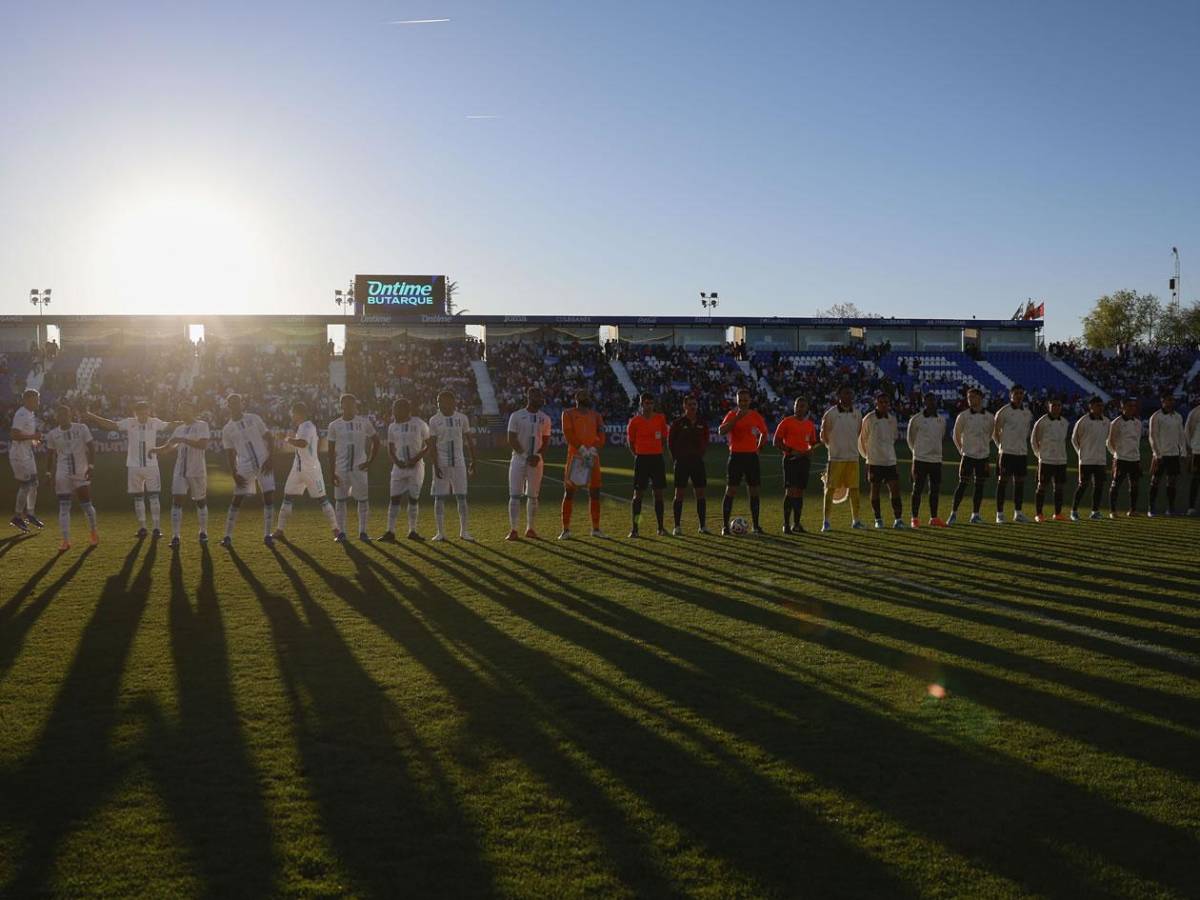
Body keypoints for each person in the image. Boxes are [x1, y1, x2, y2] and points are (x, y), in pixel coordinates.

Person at [83, 400, 177, 539]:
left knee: (154, 497)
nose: (143, 414)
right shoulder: (129, 422)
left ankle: (157, 528)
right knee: (138, 498)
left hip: (151, 466)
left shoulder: (155, 422)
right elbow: (111, 425)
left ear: (149, 411)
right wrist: (93, 417)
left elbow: (170, 425)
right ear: (135, 413)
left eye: (145, 411)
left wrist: (189, 421)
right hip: (133, 466)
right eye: (140, 412)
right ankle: (143, 528)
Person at [274, 400, 340, 541]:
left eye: (292, 413)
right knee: (287, 497)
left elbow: (303, 444)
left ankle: (336, 530)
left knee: (322, 499)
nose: (291, 416)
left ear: (298, 414)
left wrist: (286, 438)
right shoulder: (303, 427)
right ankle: (279, 530)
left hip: (311, 470)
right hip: (297, 469)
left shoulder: (307, 426)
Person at [218, 393, 276, 548]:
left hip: (263, 462)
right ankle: (227, 536)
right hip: (244, 466)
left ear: (242, 404)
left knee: (269, 497)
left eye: (238, 403)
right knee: (237, 499)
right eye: (232, 404)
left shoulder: (254, 418)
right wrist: (234, 473)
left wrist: (270, 458)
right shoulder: (227, 429)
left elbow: (269, 437)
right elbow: (230, 453)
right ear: (228, 407)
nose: (235, 406)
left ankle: (267, 535)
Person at [155, 399, 212, 546]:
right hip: (180, 470)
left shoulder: (202, 425)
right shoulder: (179, 429)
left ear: (192, 410)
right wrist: (156, 451)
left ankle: (203, 532)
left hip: (197, 470)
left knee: (200, 501)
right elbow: (169, 447)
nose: (182, 411)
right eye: (180, 409)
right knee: (177, 501)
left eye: (185, 409)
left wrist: (183, 439)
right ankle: (175, 536)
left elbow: (203, 444)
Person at [43, 403, 98, 550]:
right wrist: (48, 473)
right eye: (59, 416)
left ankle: (93, 532)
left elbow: (92, 447)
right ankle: (65, 540)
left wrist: (91, 466)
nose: (62, 418)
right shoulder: (52, 434)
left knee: (86, 505)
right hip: (62, 474)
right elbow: (49, 455)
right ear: (57, 418)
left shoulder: (81, 428)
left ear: (70, 415)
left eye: (65, 415)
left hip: (81, 471)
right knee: (64, 507)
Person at [327, 393, 379, 542]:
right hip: (341, 469)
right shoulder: (334, 425)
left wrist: (369, 461)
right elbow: (330, 451)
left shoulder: (364, 422)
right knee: (340, 500)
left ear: (356, 406)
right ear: (341, 405)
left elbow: (376, 440)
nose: (349, 407)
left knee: (363, 500)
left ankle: (363, 532)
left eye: (352, 404)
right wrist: (332, 472)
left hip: (359, 468)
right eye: (346, 404)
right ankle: (342, 533)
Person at [718, 387, 768, 535]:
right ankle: (725, 526)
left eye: (746, 400)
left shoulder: (755, 416)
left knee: (754, 491)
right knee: (731, 490)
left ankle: (756, 526)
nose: (744, 403)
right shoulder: (732, 414)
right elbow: (721, 431)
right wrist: (736, 419)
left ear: (750, 401)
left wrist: (759, 447)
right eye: (741, 400)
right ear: (737, 401)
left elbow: (764, 433)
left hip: (751, 457)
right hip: (736, 457)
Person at [427, 390, 475, 542]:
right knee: (439, 498)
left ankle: (464, 532)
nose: (441, 404)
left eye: (444, 401)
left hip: (459, 463)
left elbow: (469, 439)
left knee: (461, 497)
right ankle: (440, 532)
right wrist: (435, 464)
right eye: (439, 401)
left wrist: (474, 460)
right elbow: (432, 445)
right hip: (441, 463)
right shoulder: (434, 420)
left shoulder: (462, 418)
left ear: (452, 402)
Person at [506, 387, 552, 540]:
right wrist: (526, 456)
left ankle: (530, 528)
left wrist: (537, 456)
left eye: (541, 397)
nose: (541, 400)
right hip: (519, 460)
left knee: (533, 496)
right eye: (537, 397)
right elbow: (511, 439)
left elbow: (545, 441)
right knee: (514, 495)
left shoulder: (545, 418)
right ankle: (513, 530)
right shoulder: (517, 416)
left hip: (536, 461)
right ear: (530, 398)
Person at [559, 389, 606, 539]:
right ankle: (566, 530)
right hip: (576, 457)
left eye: (586, 394)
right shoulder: (568, 413)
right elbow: (568, 434)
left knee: (595, 492)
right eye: (581, 395)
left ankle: (596, 529)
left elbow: (602, 434)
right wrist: (581, 448)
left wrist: (594, 448)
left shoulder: (596, 416)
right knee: (570, 492)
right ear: (576, 398)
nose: (585, 397)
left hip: (592, 457)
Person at [381, 397, 429, 542]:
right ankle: (390, 531)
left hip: (416, 468)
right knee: (394, 499)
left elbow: (429, 445)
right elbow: (390, 449)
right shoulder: (392, 427)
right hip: (398, 468)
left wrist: (415, 459)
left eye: (396, 409)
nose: (394, 412)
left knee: (413, 499)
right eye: (393, 409)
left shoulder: (419, 423)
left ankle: (412, 531)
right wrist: (397, 462)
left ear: (406, 410)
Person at [819, 385, 864, 532]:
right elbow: (824, 436)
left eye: (850, 393)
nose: (848, 396)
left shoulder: (857, 414)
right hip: (836, 458)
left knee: (854, 489)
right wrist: (833, 448)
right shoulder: (830, 414)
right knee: (830, 489)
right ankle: (826, 522)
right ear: (838, 395)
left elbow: (857, 432)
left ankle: (856, 520)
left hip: (853, 457)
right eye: (845, 393)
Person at [858, 392, 905, 529]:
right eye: (881, 402)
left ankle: (898, 519)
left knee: (895, 489)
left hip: (890, 461)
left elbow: (893, 438)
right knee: (875, 489)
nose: (884, 405)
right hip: (874, 462)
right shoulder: (869, 419)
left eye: (886, 402)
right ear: (876, 404)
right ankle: (878, 519)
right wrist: (868, 457)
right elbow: (862, 440)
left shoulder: (892, 419)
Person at [949, 387, 994, 525]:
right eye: (969, 397)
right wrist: (962, 450)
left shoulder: (990, 417)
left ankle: (975, 514)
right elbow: (956, 435)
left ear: (980, 398)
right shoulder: (963, 416)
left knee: (979, 486)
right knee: (962, 484)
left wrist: (984, 447)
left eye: (973, 397)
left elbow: (991, 434)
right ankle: (953, 514)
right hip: (968, 456)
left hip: (983, 457)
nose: (970, 400)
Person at [626, 393, 669, 537]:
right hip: (642, 460)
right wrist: (638, 454)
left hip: (657, 459)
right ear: (641, 404)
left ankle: (661, 527)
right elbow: (631, 443)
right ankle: (635, 529)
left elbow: (664, 438)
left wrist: (657, 451)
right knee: (638, 495)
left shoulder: (660, 418)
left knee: (658, 494)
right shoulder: (635, 421)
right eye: (646, 403)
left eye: (651, 403)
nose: (649, 405)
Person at [773, 396, 817, 534]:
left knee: (800, 492)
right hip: (791, 460)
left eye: (803, 406)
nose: (800, 408)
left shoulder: (810, 424)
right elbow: (776, 442)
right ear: (794, 407)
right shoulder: (786, 422)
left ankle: (796, 524)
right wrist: (791, 451)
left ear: (806, 408)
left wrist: (810, 451)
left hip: (804, 461)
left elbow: (812, 442)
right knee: (791, 491)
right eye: (797, 405)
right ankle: (786, 524)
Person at [668, 395, 709, 535]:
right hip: (682, 463)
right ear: (684, 406)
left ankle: (702, 526)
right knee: (679, 494)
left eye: (695, 404)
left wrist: (699, 454)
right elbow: (670, 443)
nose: (693, 407)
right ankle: (677, 526)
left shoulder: (702, 423)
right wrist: (676, 459)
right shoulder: (678, 423)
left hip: (697, 462)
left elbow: (705, 440)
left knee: (700, 493)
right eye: (690, 404)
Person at [992, 384, 1033, 523]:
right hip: (1007, 453)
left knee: (1020, 483)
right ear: (1011, 395)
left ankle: (1018, 513)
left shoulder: (1027, 413)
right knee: (1002, 482)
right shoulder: (1003, 412)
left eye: (1021, 393)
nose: (1019, 396)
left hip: (1021, 453)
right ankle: (1000, 514)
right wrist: (1001, 447)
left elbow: (1027, 432)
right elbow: (995, 432)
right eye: (1016, 393)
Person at [906, 391, 946, 527]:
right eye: (928, 401)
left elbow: (941, 436)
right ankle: (914, 518)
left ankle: (934, 518)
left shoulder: (941, 420)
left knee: (934, 490)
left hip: (936, 460)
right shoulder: (916, 419)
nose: (931, 403)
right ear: (924, 402)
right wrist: (917, 453)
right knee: (917, 489)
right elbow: (910, 439)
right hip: (920, 460)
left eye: (933, 400)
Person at [8, 388, 44, 533]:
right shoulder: (21, 413)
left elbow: (25, 434)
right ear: (27, 400)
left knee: (34, 483)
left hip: (27, 452)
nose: (38, 402)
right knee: (26, 485)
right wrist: (33, 436)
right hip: (19, 454)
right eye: (36, 400)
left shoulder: (30, 413)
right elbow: (14, 434)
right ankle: (17, 517)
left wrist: (34, 440)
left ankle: (30, 514)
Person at [1030, 397, 1069, 522]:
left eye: (1059, 405)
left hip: (1061, 460)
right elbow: (1033, 440)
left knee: (1059, 487)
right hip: (1046, 460)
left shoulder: (1065, 422)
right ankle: (1039, 514)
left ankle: (1057, 513)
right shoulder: (1041, 422)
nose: (1056, 407)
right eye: (1054, 405)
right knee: (1042, 486)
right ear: (1049, 406)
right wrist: (1040, 455)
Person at [1147, 392, 1186, 517]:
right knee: (1155, 481)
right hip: (1161, 454)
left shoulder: (1178, 416)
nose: (1171, 402)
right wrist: (1157, 454)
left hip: (1173, 454)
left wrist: (1183, 450)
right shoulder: (1156, 416)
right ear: (1162, 401)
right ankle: (1151, 508)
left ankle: (1170, 508)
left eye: (1172, 400)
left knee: (1172, 481)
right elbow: (1152, 436)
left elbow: (1181, 434)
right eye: (1168, 400)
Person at [1070, 396, 1109, 520]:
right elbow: (1074, 439)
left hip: (1100, 460)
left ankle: (1095, 511)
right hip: (1086, 460)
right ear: (1090, 407)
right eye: (1098, 405)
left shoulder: (1106, 421)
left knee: (1099, 486)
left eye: (1102, 405)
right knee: (1083, 485)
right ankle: (1074, 511)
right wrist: (1081, 454)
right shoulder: (1083, 421)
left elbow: (1108, 438)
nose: (1100, 408)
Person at [1107, 397, 1142, 517]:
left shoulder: (1138, 422)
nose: (1132, 408)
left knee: (1135, 485)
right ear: (1122, 408)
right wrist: (1116, 454)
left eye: (1133, 406)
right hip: (1121, 459)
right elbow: (1110, 441)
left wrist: (1136, 454)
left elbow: (1137, 440)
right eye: (1129, 406)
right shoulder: (1116, 422)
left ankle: (1132, 510)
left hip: (1134, 458)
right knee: (1116, 484)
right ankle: (1112, 511)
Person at [1187, 400, 1200, 516]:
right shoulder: (1195, 413)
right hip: (1198, 451)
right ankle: (1191, 506)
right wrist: (1192, 446)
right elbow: (1188, 431)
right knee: (1195, 479)